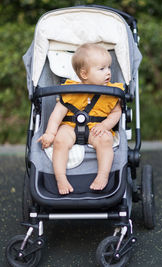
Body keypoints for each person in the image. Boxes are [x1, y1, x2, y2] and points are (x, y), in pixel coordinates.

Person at [38, 43, 123, 195]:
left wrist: (104, 125)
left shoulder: (112, 92)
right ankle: (61, 178)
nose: (108, 72)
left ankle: (103, 176)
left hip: (96, 128)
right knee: (60, 140)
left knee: (105, 140)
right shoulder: (71, 91)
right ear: (84, 74)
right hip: (70, 126)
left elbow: (116, 113)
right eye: (102, 69)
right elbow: (57, 114)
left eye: (109, 67)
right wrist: (50, 132)